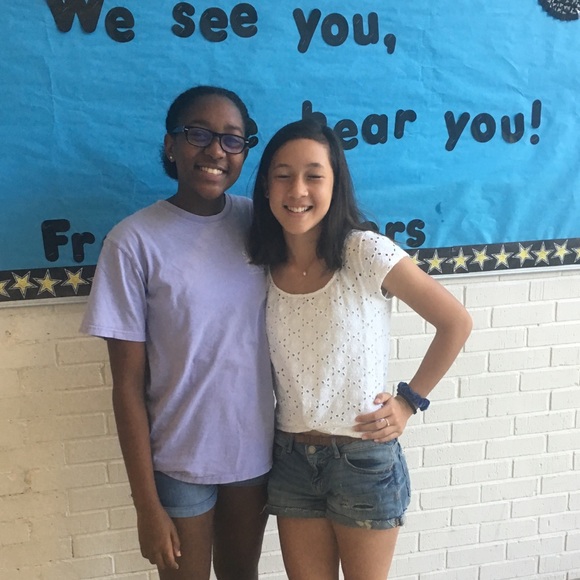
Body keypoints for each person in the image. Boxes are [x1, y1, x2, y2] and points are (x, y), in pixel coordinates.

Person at [248, 118, 472, 580]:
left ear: (336, 185)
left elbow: (455, 322)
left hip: (362, 460)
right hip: (290, 459)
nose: (298, 190)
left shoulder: (364, 251)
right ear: (266, 185)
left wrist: (408, 401)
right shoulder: (262, 264)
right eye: (283, 175)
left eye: (314, 175)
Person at [80, 86, 276, 580]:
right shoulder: (133, 241)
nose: (216, 151)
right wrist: (146, 506)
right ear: (170, 144)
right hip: (178, 461)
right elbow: (127, 386)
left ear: (245, 150)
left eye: (232, 139)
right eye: (198, 134)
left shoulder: (261, 223)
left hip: (253, 454)